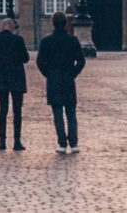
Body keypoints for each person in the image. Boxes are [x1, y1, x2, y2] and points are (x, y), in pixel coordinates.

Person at [36, 11, 86, 154]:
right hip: (68, 80)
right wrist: (73, 73)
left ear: (53, 23)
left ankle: (62, 144)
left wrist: (48, 74)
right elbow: (81, 61)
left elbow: (40, 62)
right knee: (71, 112)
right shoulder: (73, 40)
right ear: (66, 23)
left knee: (57, 113)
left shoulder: (46, 41)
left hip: (54, 80)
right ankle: (74, 143)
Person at [0, 18, 29, 150]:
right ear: (11, 27)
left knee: (3, 110)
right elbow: (25, 58)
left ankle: (2, 141)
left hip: (1, 78)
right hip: (17, 78)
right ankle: (17, 141)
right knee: (17, 111)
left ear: (2, 26)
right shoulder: (18, 40)